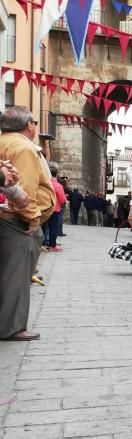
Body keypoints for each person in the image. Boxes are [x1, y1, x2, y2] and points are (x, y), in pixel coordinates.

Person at [0, 106, 54, 341]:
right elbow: (26, 186)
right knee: (16, 275)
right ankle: (12, 327)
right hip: (15, 219)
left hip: (7, 216)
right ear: (29, 125)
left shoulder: (4, 141)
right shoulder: (23, 147)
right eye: (34, 122)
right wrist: (32, 215)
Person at [43, 161, 67, 251]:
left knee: (44, 226)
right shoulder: (58, 185)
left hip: (44, 207)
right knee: (53, 227)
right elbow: (62, 199)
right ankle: (52, 245)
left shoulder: (45, 183)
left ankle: (43, 243)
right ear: (56, 174)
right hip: (55, 209)